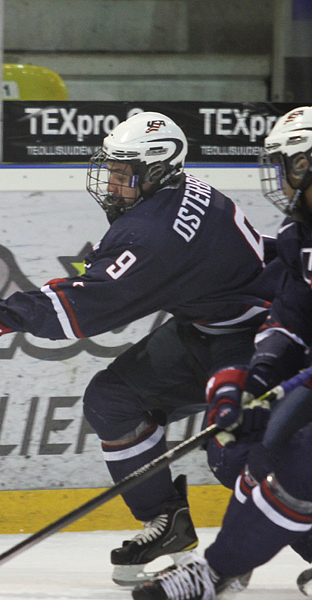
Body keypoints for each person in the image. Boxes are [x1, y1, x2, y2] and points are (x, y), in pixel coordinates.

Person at [0, 111, 281, 586]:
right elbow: (98, 281)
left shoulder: (155, 235)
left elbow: (83, 308)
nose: (112, 186)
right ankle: (167, 522)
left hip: (264, 336)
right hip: (211, 327)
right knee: (113, 399)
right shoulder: (171, 196)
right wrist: (3, 314)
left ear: (157, 169)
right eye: (112, 173)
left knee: (233, 454)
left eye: (124, 176)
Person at [132, 107, 312, 600]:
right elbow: (291, 322)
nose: (286, 180)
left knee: (302, 457)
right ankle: (221, 571)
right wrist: (251, 382)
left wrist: (290, 391)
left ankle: (213, 573)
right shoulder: (301, 236)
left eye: (296, 166)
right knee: (241, 449)